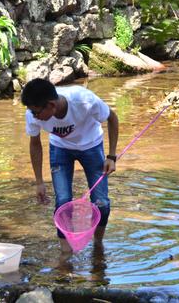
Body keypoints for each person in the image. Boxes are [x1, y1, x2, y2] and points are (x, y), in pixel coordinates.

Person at [21, 78, 119, 253]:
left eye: (36, 112)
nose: (34, 116)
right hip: (60, 149)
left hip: (91, 145)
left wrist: (111, 156)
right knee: (62, 202)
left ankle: (98, 245)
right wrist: (39, 182)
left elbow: (112, 117)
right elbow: (35, 143)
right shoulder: (32, 113)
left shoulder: (83, 100)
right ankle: (65, 254)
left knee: (101, 202)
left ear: (51, 105)